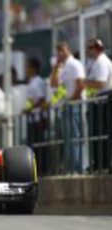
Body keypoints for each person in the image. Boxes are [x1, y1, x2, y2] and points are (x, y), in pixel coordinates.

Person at [51, 42, 86, 173]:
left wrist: (71, 101)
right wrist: (55, 68)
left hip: (74, 106)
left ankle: (77, 168)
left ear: (68, 50)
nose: (60, 53)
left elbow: (81, 85)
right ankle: (71, 168)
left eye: (62, 50)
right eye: (58, 51)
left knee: (74, 138)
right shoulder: (63, 67)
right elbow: (54, 84)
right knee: (68, 139)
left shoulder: (75, 64)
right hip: (66, 107)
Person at [85, 39, 112, 171]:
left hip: (103, 102)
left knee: (101, 133)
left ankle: (102, 163)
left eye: (89, 48)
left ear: (95, 49)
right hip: (99, 101)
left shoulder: (101, 62)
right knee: (97, 134)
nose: (87, 51)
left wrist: (84, 83)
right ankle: (99, 162)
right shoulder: (96, 62)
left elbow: (101, 83)